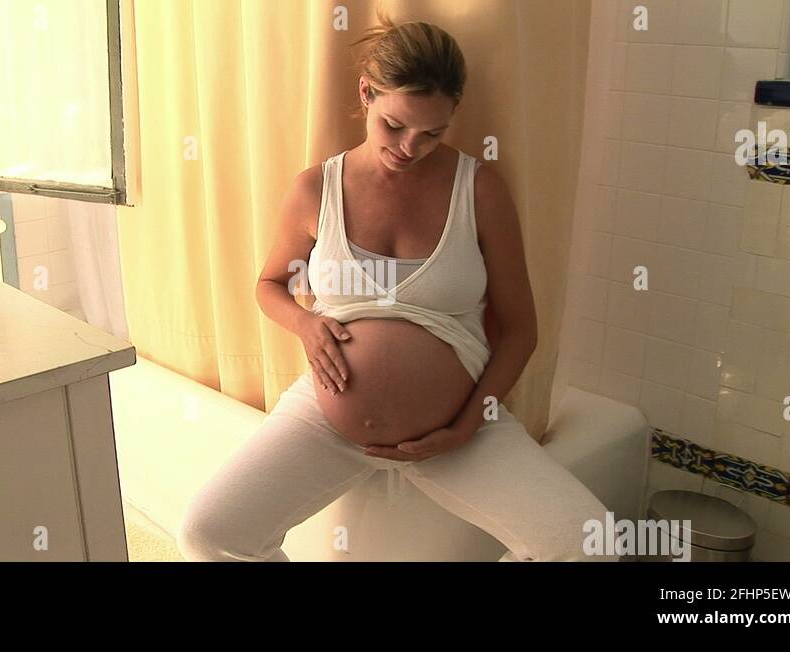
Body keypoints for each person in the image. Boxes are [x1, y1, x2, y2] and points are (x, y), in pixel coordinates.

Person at [176, 15, 618, 562]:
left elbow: (520, 330)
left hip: (460, 425)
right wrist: (306, 325)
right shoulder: (316, 189)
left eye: (433, 133)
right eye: (394, 125)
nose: (411, 147)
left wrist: (466, 426)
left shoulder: (480, 191)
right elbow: (270, 284)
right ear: (366, 94)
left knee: (591, 543)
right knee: (209, 532)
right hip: (326, 418)